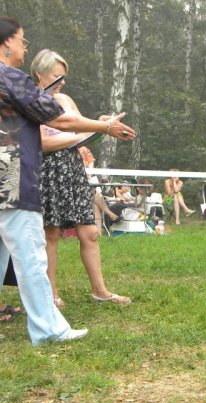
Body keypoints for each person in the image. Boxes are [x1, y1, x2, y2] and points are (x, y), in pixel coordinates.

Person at [0, 17, 135, 344]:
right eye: (22, 40)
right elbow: (57, 118)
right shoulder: (11, 78)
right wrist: (103, 127)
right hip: (14, 178)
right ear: (6, 44)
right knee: (32, 255)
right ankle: (49, 330)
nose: (24, 46)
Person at [31, 49, 132, 308]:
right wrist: (83, 135)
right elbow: (40, 143)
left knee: (89, 231)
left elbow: (86, 128)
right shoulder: (29, 101)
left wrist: (108, 127)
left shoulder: (64, 99)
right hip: (46, 171)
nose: (62, 81)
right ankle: (50, 295)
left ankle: (100, 291)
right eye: (56, 76)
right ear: (39, 74)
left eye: (63, 76)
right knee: (50, 233)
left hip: (73, 169)